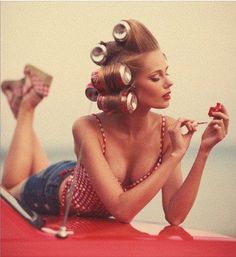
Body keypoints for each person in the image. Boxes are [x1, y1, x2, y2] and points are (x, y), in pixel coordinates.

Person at [1, 19, 229, 225]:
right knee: (7, 193)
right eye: (155, 77)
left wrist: (203, 151)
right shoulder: (86, 127)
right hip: (53, 191)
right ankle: (27, 106)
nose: (169, 82)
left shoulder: (167, 131)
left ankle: (23, 96)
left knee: (42, 170)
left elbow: (175, 215)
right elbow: (122, 210)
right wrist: (175, 156)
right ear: (128, 85)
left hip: (82, 175)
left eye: (166, 72)